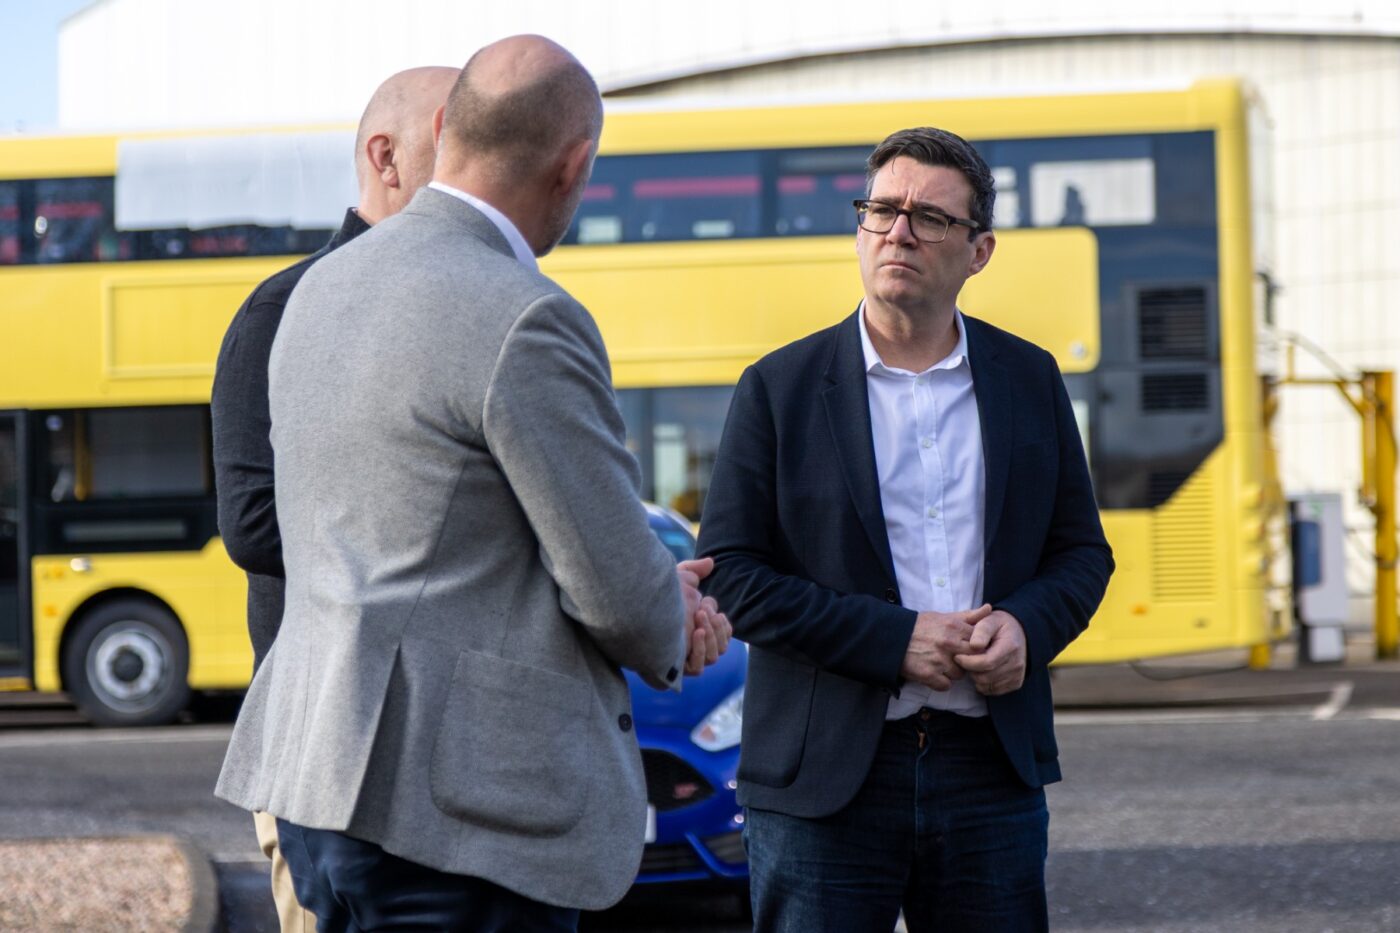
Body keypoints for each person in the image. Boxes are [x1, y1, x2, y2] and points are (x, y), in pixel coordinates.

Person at [215, 35, 730, 931]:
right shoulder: (525, 314)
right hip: (453, 812)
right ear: (573, 166)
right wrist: (669, 614)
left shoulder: (316, 291)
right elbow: (610, 579)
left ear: (449, 128)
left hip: (314, 779)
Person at [696, 126, 1115, 932]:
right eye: (882, 210)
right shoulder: (779, 387)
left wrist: (1026, 627)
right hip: (824, 778)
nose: (898, 232)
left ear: (979, 251)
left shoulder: (1029, 378)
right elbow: (734, 575)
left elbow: (1081, 554)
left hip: (990, 769)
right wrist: (895, 641)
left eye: (930, 218)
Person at [211, 64, 459, 931]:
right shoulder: (282, 309)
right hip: (328, 739)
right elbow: (251, 525)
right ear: (386, 158)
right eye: (454, 142)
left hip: (448, 741)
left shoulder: (465, 304)